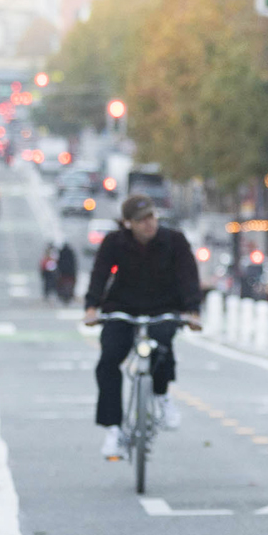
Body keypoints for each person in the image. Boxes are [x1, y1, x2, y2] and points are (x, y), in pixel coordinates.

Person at [84, 194, 203, 458]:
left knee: (162, 345)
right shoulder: (114, 242)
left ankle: (162, 396)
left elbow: (188, 276)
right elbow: (100, 273)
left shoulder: (175, 241)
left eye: (151, 217)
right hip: (121, 309)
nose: (148, 224)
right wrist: (91, 307)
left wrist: (193, 311)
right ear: (128, 223)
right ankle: (114, 430)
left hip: (163, 308)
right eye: (141, 220)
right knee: (108, 360)